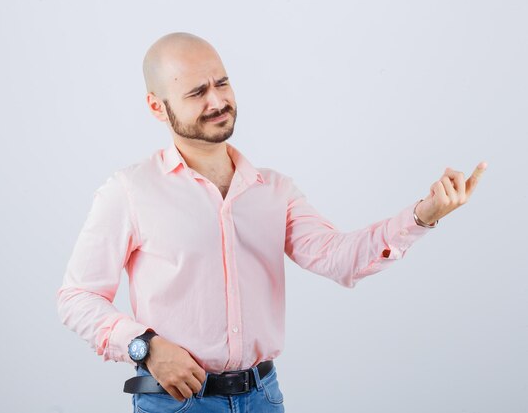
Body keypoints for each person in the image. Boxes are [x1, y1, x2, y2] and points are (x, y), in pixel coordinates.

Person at [56, 32, 487, 413]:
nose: (217, 101)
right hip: (176, 403)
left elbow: (339, 259)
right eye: (196, 92)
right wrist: (146, 347)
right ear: (157, 106)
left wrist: (421, 217)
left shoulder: (274, 190)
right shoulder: (130, 190)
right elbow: (76, 297)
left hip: (263, 397)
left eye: (222, 82)